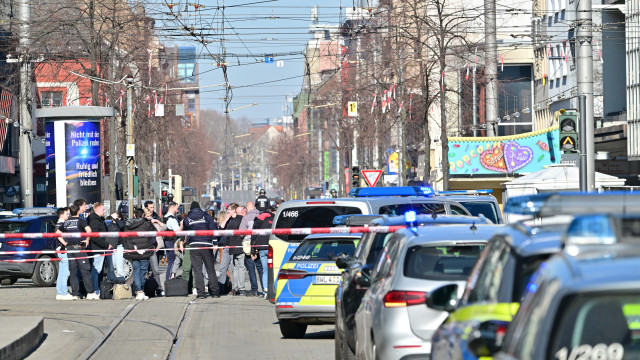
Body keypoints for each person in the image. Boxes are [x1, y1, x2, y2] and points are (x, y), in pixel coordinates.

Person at [57, 204, 99, 300]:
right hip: (79, 247)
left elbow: (57, 233)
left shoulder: (67, 222)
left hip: (70, 249)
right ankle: (90, 293)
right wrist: (87, 240)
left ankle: (75, 293)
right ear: (78, 212)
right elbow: (89, 230)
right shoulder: (81, 221)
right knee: (85, 270)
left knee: (73, 272)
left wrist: (65, 243)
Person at [182, 201, 219, 299]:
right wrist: (214, 242)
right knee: (210, 269)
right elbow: (213, 229)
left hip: (194, 245)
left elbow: (186, 230)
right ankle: (215, 292)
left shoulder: (188, 218)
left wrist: (187, 241)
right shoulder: (206, 216)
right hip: (206, 244)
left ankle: (201, 293)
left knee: (197, 270)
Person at [124, 208, 156, 300]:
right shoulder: (147, 224)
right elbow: (153, 233)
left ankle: (139, 291)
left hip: (133, 251)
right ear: (143, 215)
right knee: (143, 271)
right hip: (144, 251)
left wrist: (128, 247)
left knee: (136, 270)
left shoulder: (129, 225)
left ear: (134, 215)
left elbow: (124, 238)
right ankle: (140, 289)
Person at [87, 202, 114, 295]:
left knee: (99, 269)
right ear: (98, 209)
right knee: (96, 269)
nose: (104, 211)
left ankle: (97, 287)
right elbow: (95, 237)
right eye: (103, 209)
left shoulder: (99, 219)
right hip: (98, 248)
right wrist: (106, 245)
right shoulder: (94, 221)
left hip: (100, 247)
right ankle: (95, 289)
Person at [252, 206, 275, 298]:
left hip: (261, 247)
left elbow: (253, 235)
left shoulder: (258, 219)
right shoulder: (273, 218)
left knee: (265, 270)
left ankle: (265, 290)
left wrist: (252, 250)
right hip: (272, 247)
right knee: (273, 270)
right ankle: (273, 290)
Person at [240, 202, 261, 296]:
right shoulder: (261, 215)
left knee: (251, 268)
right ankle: (265, 288)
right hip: (260, 243)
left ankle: (254, 289)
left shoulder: (246, 217)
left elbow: (241, 232)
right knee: (261, 267)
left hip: (248, 244)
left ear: (248, 208)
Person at [225, 203, 245, 296]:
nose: (228, 211)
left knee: (236, 267)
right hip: (238, 245)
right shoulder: (240, 219)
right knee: (240, 267)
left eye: (229, 209)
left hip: (234, 246)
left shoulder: (231, 221)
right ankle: (240, 288)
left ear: (234, 210)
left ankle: (236, 287)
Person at [145, 208, 166, 296]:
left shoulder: (153, 224)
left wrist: (157, 221)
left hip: (153, 248)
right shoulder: (142, 224)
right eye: (148, 216)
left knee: (156, 270)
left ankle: (159, 288)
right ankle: (145, 288)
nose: (149, 218)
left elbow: (164, 228)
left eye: (150, 216)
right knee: (144, 270)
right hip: (144, 249)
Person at [54, 207, 74, 300]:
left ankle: (60, 292)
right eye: (67, 214)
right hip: (63, 250)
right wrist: (65, 243)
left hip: (60, 250)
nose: (68, 215)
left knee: (62, 272)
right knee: (65, 272)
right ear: (62, 215)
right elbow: (58, 235)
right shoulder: (61, 225)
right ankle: (64, 292)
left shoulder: (59, 224)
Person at [215, 210, 232, 291]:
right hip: (223, 245)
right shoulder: (227, 224)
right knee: (226, 267)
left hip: (222, 245)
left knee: (224, 267)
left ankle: (228, 284)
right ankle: (228, 283)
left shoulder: (222, 225)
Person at [163, 202, 181, 282]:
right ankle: (169, 280)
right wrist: (182, 225)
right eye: (177, 208)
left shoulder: (165, 217)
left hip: (168, 241)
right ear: (173, 208)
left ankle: (170, 279)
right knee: (173, 262)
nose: (178, 209)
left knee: (172, 262)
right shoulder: (172, 219)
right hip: (171, 242)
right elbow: (178, 231)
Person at [108, 211, 127, 282]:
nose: (114, 219)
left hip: (119, 246)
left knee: (119, 266)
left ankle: (121, 281)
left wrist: (117, 219)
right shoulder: (110, 225)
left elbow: (122, 226)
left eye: (116, 217)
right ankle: (111, 282)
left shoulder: (121, 224)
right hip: (111, 247)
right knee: (111, 267)